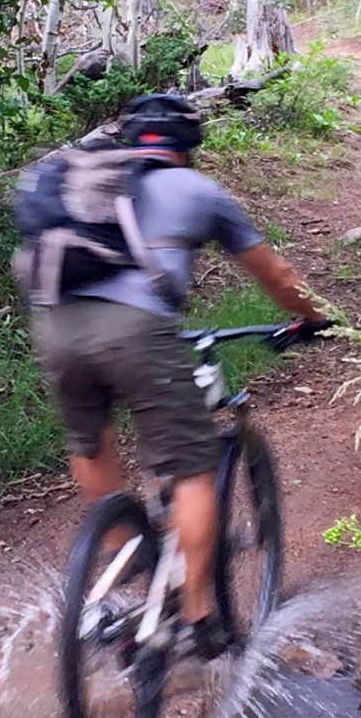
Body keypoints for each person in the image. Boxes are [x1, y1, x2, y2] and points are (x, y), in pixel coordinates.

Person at [29, 92, 328, 658]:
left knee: (90, 440)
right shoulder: (199, 190)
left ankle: (127, 550)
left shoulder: (92, 184)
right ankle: (197, 617)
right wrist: (312, 317)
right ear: (188, 145)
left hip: (54, 325)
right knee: (194, 464)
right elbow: (277, 275)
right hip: (136, 330)